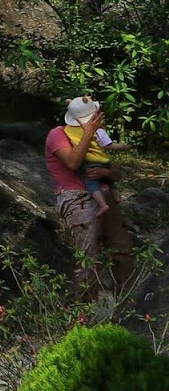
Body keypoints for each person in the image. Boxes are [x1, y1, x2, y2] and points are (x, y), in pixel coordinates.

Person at [45, 95, 135, 299]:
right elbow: (73, 163)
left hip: (105, 194)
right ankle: (86, 314)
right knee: (88, 257)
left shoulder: (98, 136)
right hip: (78, 199)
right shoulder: (58, 135)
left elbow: (116, 172)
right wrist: (88, 134)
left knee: (123, 250)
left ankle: (127, 306)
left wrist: (106, 174)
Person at [62, 101, 129, 213]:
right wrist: (124, 147)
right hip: (102, 161)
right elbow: (108, 145)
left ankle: (102, 205)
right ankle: (114, 196)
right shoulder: (98, 130)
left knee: (92, 184)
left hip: (87, 162)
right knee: (108, 179)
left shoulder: (68, 131)